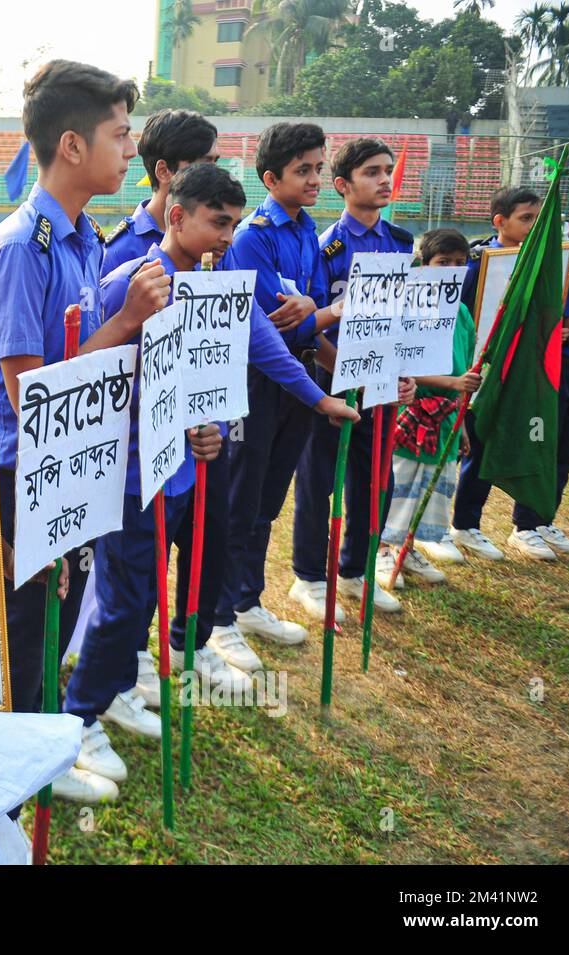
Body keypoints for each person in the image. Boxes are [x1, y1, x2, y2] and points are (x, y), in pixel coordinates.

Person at [68, 164, 358, 794]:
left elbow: (264, 348)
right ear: (178, 215)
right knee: (120, 601)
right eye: (217, 222)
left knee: (148, 592)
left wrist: (315, 400)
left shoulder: (220, 287)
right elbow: (92, 383)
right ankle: (77, 719)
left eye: (233, 222)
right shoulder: (132, 284)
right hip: (128, 476)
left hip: (183, 470)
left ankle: (115, 688)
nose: (228, 234)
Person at [0, 60, 171, 805]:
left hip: (73, 467)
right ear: (73, 146)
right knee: (25, 636)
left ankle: (44, 755)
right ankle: (16, 789)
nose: (130, 151)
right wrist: (126, 324)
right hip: (24, 477)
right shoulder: (25, 247)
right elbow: (31, 397)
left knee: (55, 622)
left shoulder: (84, 238)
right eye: (121, 135)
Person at [287, 137, 416, 625]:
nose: (385, 179)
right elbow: (315, 322)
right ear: (342, 185)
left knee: (375, 481)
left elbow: (404, 320)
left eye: (387, 171)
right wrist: (343, 366)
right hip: (330, 377)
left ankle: (356, 573)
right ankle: (309, 578)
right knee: (318, 481)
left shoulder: (401, 243)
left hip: (380, 384)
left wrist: (403, 372)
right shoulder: (328, 248)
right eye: (371, 172)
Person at [214, 122, 326, 651]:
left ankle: (247, 601)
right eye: (303, 170)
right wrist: (317, 311)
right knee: (241, 498)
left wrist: (314, 310)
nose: (314, 179)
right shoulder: (253, 236)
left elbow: (314, 308)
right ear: (270, 176)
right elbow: (272, 322)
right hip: (257, 380)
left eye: (319, 169)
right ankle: (219, 618)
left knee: (268, 501)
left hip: (300, 376)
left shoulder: (308, 229)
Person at [451, 187, 569, 560]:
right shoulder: (479, 264)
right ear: (500, 221)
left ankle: (531, 524)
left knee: (538, 441)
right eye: (527, 218)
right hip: (487, 376)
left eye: (539, 219)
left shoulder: (551, 263)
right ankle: (465, 525)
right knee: (480, 448)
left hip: (531, 377)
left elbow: (548, 315)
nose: (535, 226)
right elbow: (464, 321)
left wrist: (550, 331)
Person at [380, 228, 480, 580]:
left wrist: (462, 422)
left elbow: (465, 364)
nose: (451, 269)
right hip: (415, 413)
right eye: (443, 262)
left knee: (429, 489)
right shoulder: (409, 307)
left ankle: (407, 548)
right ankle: (381, 549)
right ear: (423, 263)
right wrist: (452, 382)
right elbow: (405, 365)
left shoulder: (463, 314)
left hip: (448, 418)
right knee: (399, 484)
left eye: (459, 263)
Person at [508, 210, 569, 556]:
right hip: (559, 375)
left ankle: (544, 519)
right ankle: (524, 525)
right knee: (543, 446)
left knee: (567, 452)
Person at [101, 108, 219, 274]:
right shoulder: (119, 252)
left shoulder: (216, 242)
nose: (216, 175)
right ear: (164, 171)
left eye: (216, 163)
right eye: (205, 165)